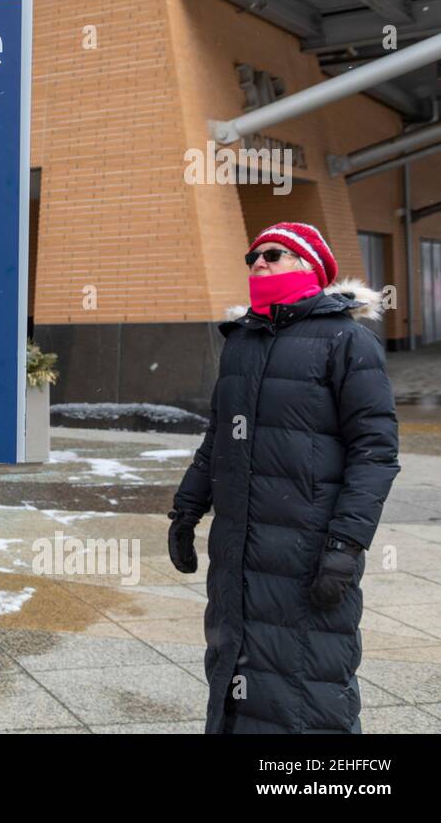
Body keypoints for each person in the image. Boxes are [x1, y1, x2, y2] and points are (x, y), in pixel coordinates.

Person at [168, 221, 399, 733]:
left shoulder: (347, 341)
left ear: (310, 266)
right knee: (234, 676)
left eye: (273, 254)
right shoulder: (242, 341)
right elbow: (218, 438)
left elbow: (375, 451)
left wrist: (346, 544)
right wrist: (186, 508)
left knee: (308, 684)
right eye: (252, 258)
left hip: (308, 553)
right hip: (238, 554)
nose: (259, 264)